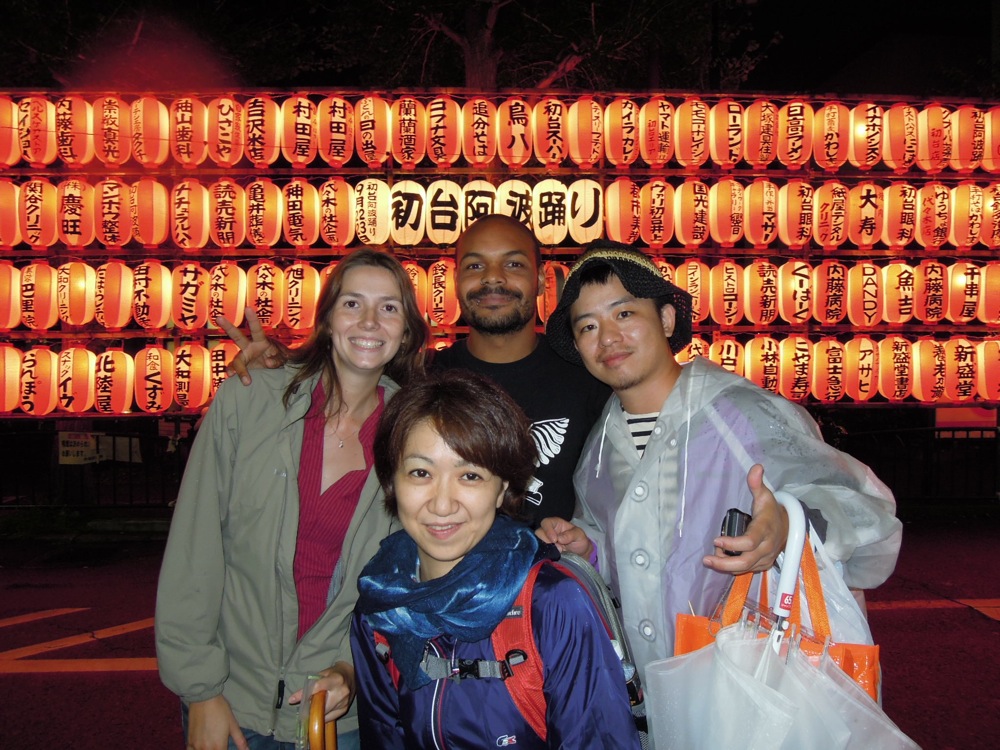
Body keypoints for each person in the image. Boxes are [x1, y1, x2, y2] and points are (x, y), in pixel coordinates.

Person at [539, 241, 903, 684]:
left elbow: (866, 512)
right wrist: (588, 549)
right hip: (659, 688)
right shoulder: (598, 450)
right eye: (588, 326)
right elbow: (629, 555)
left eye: (625, 313)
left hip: (757, 681)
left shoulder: (740, 414)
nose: (608, 338)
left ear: (666, 318)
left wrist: (787, 524)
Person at [155, 248, 429, 750]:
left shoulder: (415, 434)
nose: (369, 321)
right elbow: (196, 547)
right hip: (232, 698)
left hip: (335, 712)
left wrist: (351, 666)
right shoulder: (250, 399)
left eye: (389, 308)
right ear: (326, 320)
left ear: (406, 331)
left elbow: (405, 581)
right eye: (352, 304)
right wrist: (200, 690)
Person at [221, 213, 610, 526]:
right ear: (456, 281)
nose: (493, 277)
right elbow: (347, 379)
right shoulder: (418, 379)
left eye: (513, 263)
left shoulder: (588, 380)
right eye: (475, 265)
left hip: (548, 590)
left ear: (540, 280)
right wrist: (283, 367)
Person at [349, 369, 641, 749]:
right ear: (392, 481)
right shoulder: (380, 605)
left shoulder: (551, 604)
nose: (442, 504)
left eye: (470, 476)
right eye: (421, 472)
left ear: (502, 488)